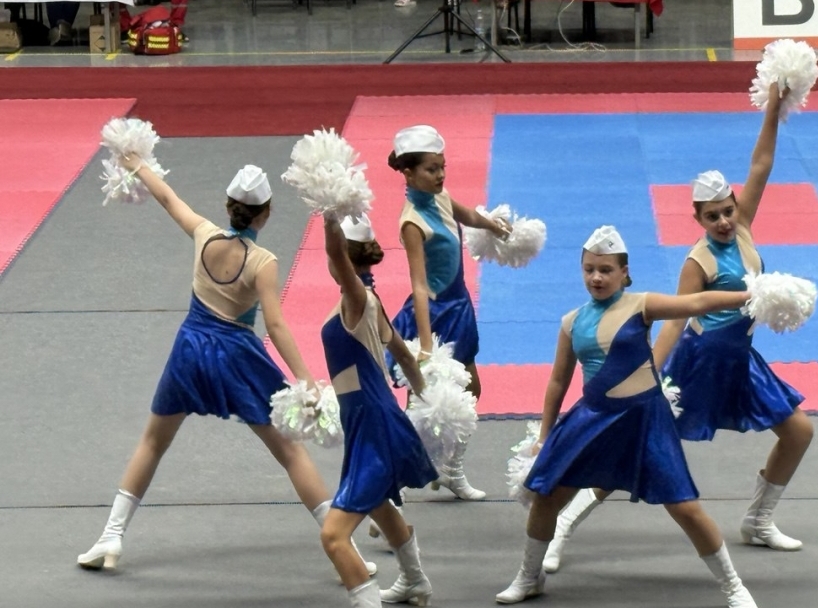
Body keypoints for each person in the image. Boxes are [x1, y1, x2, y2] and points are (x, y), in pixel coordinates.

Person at [542, 83, 813, 575]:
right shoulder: (697, 261)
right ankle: (562, 524)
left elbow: (761, 164)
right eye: (713, 216)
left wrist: (774, 105)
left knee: (798, 432)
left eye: (728, 210)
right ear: (698, 218)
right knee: (632, 445)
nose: (724, 221)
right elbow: (675, 321)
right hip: (698, 364)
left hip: (741, 362)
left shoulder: (744, 227)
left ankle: (758, 519)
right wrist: (651, 380)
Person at [76, 160, 375, 576]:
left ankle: (111, 534)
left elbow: (168, 198)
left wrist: (137, 163)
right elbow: (275, 325)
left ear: (227, 205)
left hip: (190, 350)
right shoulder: (263, 262)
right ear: (265, 214)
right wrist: (305, 380)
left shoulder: (203, 233)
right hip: (237, 357)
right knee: (290, 452)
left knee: (153, 441)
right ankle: (342, 544)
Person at [496, 226, 757, 608]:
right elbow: (557, 382)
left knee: (685, 507)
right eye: (589, 269)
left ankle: (734, 587)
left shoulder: (642, 306)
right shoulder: (571, 322)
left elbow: (697, 302)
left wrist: (750, 295)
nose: (596, 277)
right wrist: (544, 435)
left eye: (605, 270)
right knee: (546, 497)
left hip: (646, 422)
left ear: (624, 273)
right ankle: (529, 576)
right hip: (592, 420)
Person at [318, 213, 439, 608]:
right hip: (366, 423)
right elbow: (403, 355)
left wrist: (328, 213)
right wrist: (428, 400)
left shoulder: (357, 299)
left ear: (341, 259)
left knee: (334, 536)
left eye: (334, 256)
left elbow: (336, 251)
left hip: (374, 425)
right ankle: (415, 581)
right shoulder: (370, 301)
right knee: (378, 504)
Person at [384, 125, 510, 501]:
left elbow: (466, 214)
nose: (440, 175)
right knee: (418, 406)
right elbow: (419, 286)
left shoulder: (439, 195)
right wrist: (426, 346)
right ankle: (390, 485)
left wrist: (492, 225)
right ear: (409, 174)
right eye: (431, 169)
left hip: (459, 308)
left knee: (471, 390)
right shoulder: (412, 221)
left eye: (442, 167)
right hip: (433, 316)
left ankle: (452, 472)